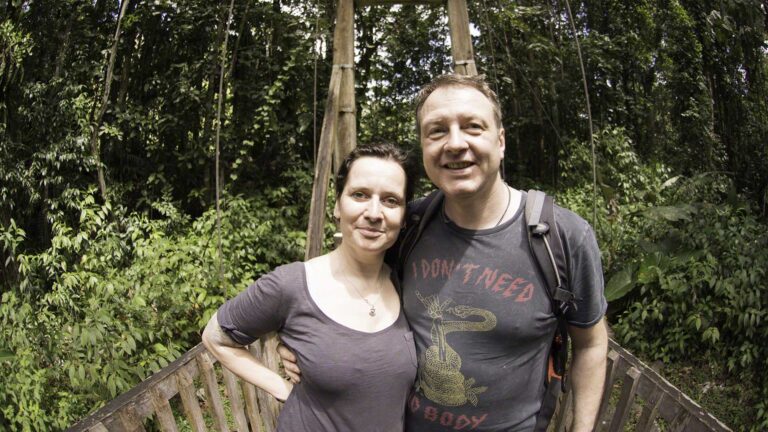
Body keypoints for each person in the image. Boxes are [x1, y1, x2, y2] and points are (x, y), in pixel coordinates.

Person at [281, 74, 609, 432]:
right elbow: (346, 287)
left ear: (500, 142)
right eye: (437, 131)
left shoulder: (561, 238)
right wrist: (301, 340)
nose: (455, 144)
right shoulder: (407, 228)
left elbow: (590, 344)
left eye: (472, 127)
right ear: (423, 147)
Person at [202, 142, 418, 431]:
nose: (374, 212)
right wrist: (279, 386)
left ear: (403, 218)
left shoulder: (406, 281)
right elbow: (216, 337)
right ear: (337, 206)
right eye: (359, 195)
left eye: (391, 200)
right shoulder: (291, 285)